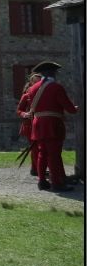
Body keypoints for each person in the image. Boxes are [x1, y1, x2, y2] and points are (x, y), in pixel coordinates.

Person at [23, 61, 79, 192]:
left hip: (38, 123)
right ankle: (56, 183)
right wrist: (75, 108)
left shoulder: (32, 88)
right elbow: (70, 109)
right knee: (54, 154)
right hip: (52, 124)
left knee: (42, 153)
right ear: (52, 73)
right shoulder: (56, 87)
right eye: (55, 72)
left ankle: (42, 181)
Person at [17, 72, 42, 176]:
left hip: (41, 124)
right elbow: (19, 110)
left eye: (39, 81)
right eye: (35, 81)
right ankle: (36, 169)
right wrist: (24, 114)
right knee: (34, 148)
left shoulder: (44, 93)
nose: (37, 83)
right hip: (29, 125)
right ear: (31, 82)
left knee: (41, 148)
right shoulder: (26, 95)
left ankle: (37, 168)